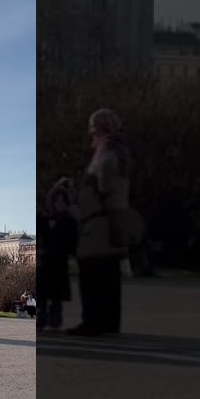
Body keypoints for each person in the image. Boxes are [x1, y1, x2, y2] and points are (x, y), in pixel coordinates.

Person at [70, 108, 131, 337]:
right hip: (111, 220)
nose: (91, 139)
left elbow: (103, 187)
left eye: (93, 133)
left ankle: (93, 321)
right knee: (109, 276)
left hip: (98, 223)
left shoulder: (107, 156)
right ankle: (108, 322)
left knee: (92, 274)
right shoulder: (120, 153)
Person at [40, 181, 79, 332]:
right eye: (58, 201)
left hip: (59, 261)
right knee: (43, 294)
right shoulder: (45, 219)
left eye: (63, 201)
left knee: (56, 296)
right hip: (46, 261)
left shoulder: (69, 221)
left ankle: (55, 322)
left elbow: (72, 242)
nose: (60, 204)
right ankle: (41, 321)